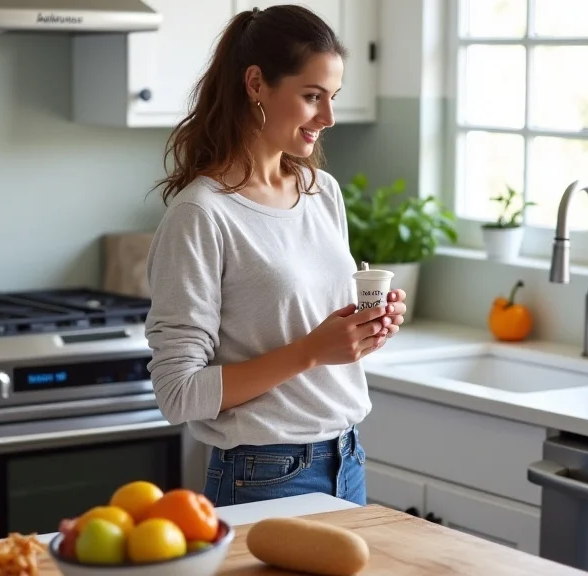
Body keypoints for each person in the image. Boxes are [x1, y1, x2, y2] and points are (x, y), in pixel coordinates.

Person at [143, 4, 407, 508]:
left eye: (332, 98)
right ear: (256, 84)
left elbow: (306, 329)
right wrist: (312, 350)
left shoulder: (321, 191)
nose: (328, 118)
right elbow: (178, 394)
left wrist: (362, 331)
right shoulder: (201, 214)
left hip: (347, 459)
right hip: (263, 474)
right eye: (312, 97)